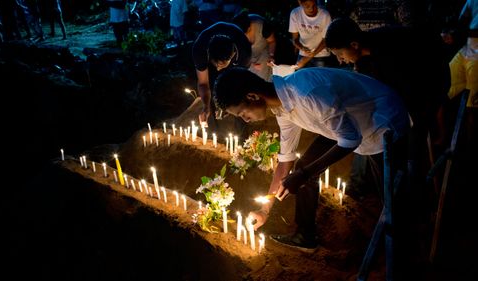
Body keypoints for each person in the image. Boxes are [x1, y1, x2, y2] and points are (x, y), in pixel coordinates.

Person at [213, 67, 410, 251]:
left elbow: (351, 139)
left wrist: (304, 174)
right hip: (344, 125)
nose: (244, 119)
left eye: (242, 113)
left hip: (381, 123)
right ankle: (304, 235)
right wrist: (265, 209)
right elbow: (285, 160)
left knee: (392, 198)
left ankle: (404, 252)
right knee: (304, 165)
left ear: (252, 96)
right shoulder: (281, 107)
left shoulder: (308, 94)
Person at [324, 17, 450, 201]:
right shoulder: (364, 60)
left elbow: (408, 91)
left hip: (429, 84)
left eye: (340, 54)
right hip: (404, 92)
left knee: (409, 146)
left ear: (354, 44)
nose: (340, 61)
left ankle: (414, 196)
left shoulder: (391, 49)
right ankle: (391, 194)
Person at [191, 21, 251, 126]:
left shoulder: (244, 54)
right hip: (210, 47)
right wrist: (206, 106)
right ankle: (213, 117)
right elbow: (203, 83)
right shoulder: (200, 49)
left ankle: (239, 125)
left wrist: (230, 105)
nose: (218, 69)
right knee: (212, 88)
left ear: (232, 55)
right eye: (216, 64)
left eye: (221, 65)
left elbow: (239, 84)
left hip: (236, 48)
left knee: (232, 93)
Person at [447, 0, 477, 156]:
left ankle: (469, 148)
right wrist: (452, 32)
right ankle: (442, 136)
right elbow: (462, 21)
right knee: (444, 87)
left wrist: (460, 33)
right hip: (466, 50)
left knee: (472, 105)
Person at [232, 10, 277, 82]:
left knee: (263, 83)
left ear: (249, 27)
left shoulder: (262, 24)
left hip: (263, 55)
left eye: (246, 33)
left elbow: (272, 41)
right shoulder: (235, 32)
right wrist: (250, 64)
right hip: (246, 60)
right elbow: (236, 55)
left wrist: (271, 56)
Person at [289, 0, 333, 69]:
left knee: (318, 79)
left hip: (321, 55)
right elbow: (295, 39)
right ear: (300, 2)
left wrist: (307, 58)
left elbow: (325, 41)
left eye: (314, 5)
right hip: (303, 54)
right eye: (307, 6)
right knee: (301, 78)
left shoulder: (324, 15)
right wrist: (302, 48)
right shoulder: (295, 13)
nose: (311, 9)